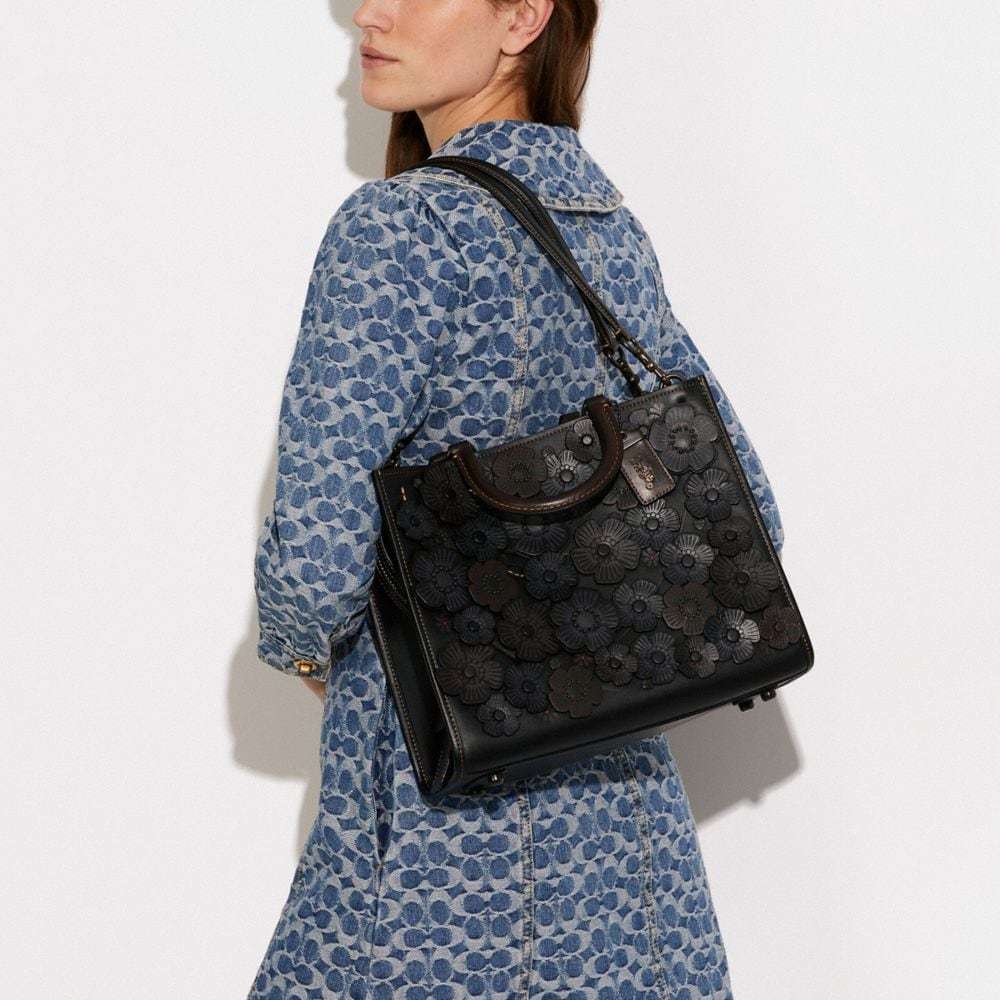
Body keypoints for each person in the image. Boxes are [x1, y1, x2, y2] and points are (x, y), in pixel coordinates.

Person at [249, 1, 784, 997]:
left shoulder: (397, 230)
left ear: (524, 17)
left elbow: (316, 564)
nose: (371, 13)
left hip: (440, 842)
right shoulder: (605, 229)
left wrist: (304, 649)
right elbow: (746, 510)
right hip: (627, 851)